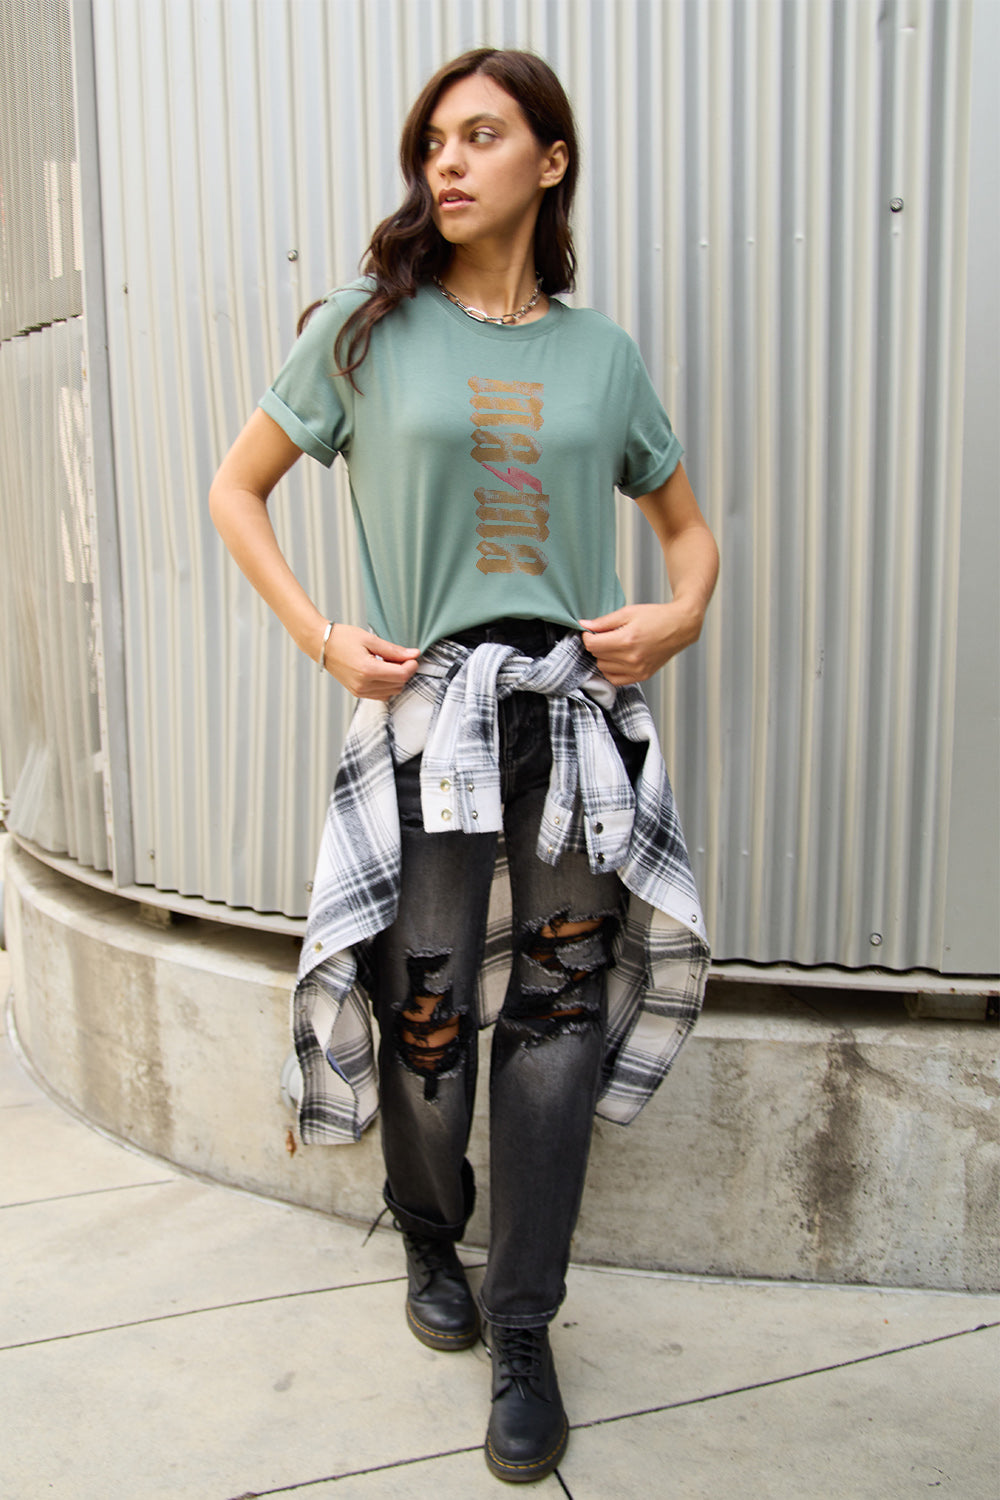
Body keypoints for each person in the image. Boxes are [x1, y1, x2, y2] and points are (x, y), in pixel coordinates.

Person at [210, 47, 718, 1485]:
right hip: (430, 721)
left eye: (483, 136)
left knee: (554, 1019)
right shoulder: (365, 331)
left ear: (549, 163)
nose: (447, 160)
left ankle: (524, 1321)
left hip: (568, 725)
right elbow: (236, 489)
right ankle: (430, 1226)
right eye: (434, 139)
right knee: (427, 1015)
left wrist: (678, 617)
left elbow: (689, 535)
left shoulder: (602, 355)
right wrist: (323, 636)